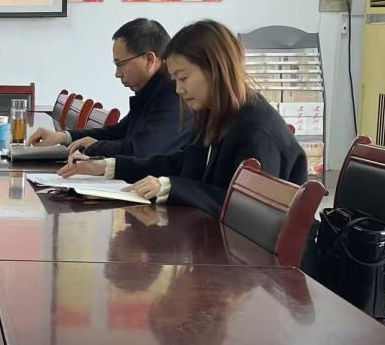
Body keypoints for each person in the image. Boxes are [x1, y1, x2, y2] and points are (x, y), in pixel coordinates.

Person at [61, 20, 307, 217]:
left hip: (258, 261)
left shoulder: (256, 129)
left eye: (183, 77)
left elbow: (247, 209)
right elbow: (184, 163)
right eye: (175, 79)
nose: (178, 89)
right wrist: (109, 166)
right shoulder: (216, 112)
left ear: (214, 69)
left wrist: (170, 187)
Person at [28, 18, 192, 157]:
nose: (117, 74)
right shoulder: (152, 91)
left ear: (149, 59)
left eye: (120, 64)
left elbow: (141, 151)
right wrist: (64, 136)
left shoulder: (172, 95)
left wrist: (95, 146)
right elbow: (118, 132)